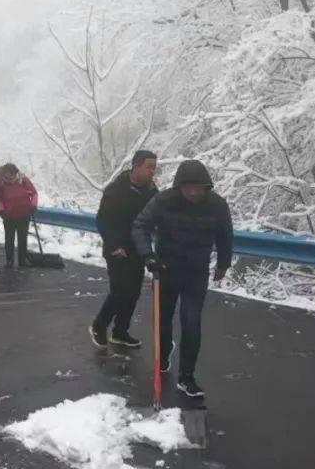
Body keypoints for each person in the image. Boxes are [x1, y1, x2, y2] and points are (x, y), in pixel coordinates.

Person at [132, 159, 233, 399]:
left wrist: (223, 263)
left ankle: (187, 377)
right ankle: (164, 352)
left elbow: (225, 234)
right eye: (188, 188)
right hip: (165, 270)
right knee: (163, 321)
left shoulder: (217, 205)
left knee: (191, 323)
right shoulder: (164, 201)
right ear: (180, 187)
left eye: (198, 188)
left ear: (206, 187)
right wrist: (148, 256)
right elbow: (140, 226)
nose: (193, 193)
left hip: (196, 274)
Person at [91, 150, 159, 349]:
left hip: (138, 248)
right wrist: (113, 246)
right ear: (136, 166)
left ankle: (120, 331)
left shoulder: (152, 191)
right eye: (149, 167)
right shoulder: (116, 189)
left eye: (154, 168)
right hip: (117, 249)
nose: (152, 172)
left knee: (133, 292)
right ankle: (99, 325)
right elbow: (102, 220)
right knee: (120, 290)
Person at [0, 163, 38, 268]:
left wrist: (33, 205)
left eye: (11, 173)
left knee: (22, 239)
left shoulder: (23, 180)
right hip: (8, 216)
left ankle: (22, 260)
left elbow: (34, 193)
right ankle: (9, 260)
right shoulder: (1, 183)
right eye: (6, 173)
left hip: (24, 215)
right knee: (9, 240)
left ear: (15, 172)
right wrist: (1, 211)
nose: (9, 176)